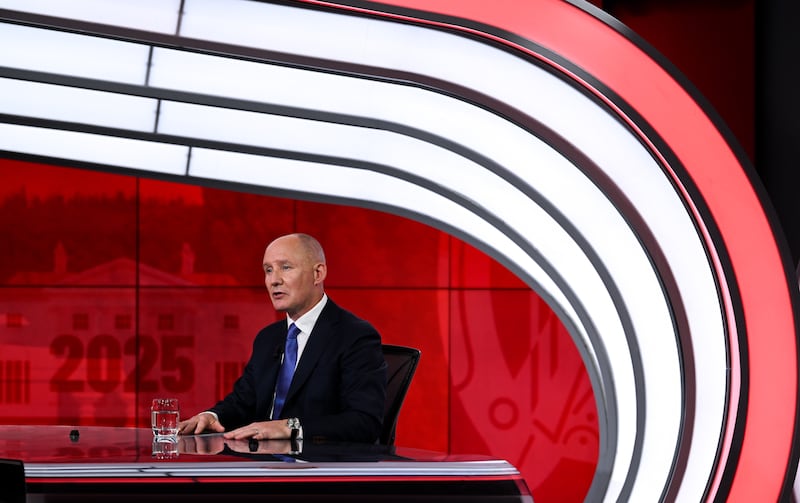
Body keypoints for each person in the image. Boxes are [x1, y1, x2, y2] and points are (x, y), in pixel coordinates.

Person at [177, 233, 387, 443]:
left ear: (318, 273)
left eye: (285, 267)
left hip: (317, 468)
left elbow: (364, 421)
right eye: (268, 270)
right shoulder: (268, 338)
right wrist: (212, 416)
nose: (274, 280)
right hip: (262, 464)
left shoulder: (354, 336)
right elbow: (243, 401)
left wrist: (290, 428)